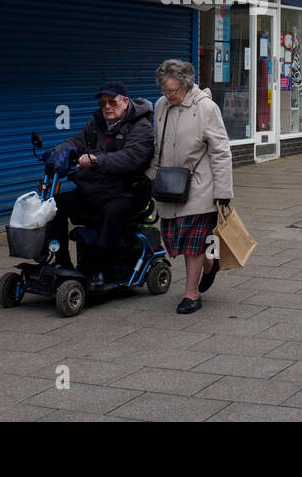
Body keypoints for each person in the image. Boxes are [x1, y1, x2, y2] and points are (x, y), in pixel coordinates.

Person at [46, 82, 154, 287]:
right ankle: (62, 262)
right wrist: (59, 152)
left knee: (110, 213)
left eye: (112, 102)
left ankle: (100, 270)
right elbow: (77, 141)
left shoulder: (141, 126)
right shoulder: (96, 122)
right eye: (103, 103)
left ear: (125, 102)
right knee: (55, 205)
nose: (107, 107)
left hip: (128, 191)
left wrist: (96, 160)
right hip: (98, 188)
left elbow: (131, 158)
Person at [148, 59, 234, 315]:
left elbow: (221, 151)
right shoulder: (161, 105)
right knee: (174, 239)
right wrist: (151, 178)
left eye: (173, 90)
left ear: (186, 85)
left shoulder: (206, 108)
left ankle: (191, 294)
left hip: (199, 186)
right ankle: (211, 262)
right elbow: (157, 147)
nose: (168, 95)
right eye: (164, 90)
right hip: (169, 186)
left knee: (192, 244)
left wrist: (223, 192)